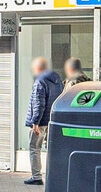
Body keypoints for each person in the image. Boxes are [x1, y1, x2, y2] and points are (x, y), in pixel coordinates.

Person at [24, 56, 63, 185]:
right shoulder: (57, 79)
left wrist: (35, 122)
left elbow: (38, 104)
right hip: (52, 120)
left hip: (40, 122)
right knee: (52, 148)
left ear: (38, 68)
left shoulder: (40, 81)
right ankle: (54, 176)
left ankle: (36, 177)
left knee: (35, 148)